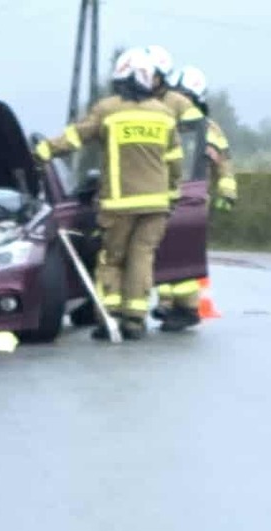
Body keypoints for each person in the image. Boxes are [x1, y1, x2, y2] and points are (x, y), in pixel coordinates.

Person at [35, 47, 184, 340]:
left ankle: (109, 318)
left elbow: (77, 136)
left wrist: (44, 150)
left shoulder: (108, 110)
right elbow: (175, 160)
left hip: (119, 203)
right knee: (143, 257)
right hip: (156, 203)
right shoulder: (164, 114)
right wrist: (173, 192)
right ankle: (135, 321)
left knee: (112, 259)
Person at [155, 65, 237, 331]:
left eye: (185, 95)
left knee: (181, 251)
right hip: (163, 193)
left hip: (190, 196)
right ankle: (167, 304)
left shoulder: (206, 127)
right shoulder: (164, 119)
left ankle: (185, 307)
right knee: (162, 248)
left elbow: (222, 161)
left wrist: (226, 191)